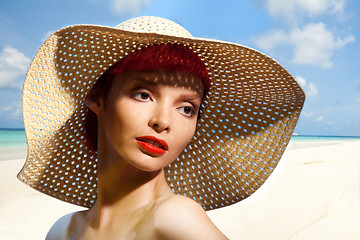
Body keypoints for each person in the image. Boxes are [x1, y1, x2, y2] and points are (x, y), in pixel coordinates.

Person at [18, 16, 305, 239]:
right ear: (97, 97)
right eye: (143, 94)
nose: (163, 121)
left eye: (186, 108)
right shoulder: (62, 231)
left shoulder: (174, 217)